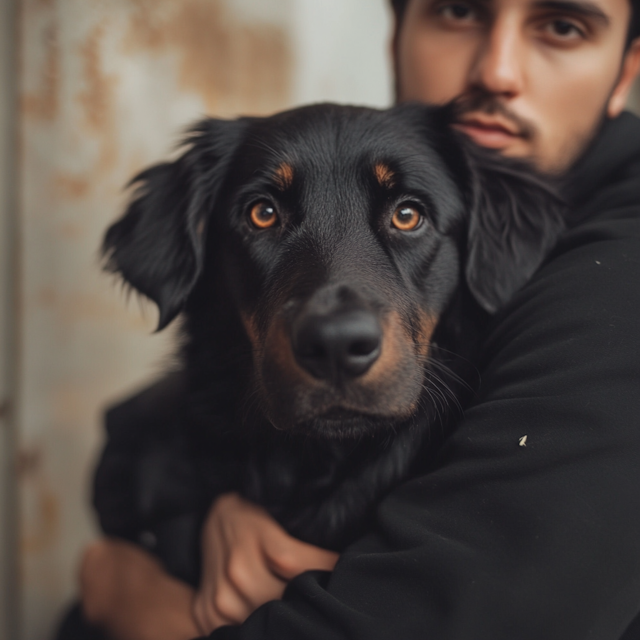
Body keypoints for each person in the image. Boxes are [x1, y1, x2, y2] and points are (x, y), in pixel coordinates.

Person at [72, 0, 640, 637]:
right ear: (396, 33)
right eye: (458, 10)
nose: (497, 71)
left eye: (563, 25)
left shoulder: (613, 274)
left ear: (627, 70)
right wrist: (202, 513)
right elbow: (150, 426)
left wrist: (133, 600)